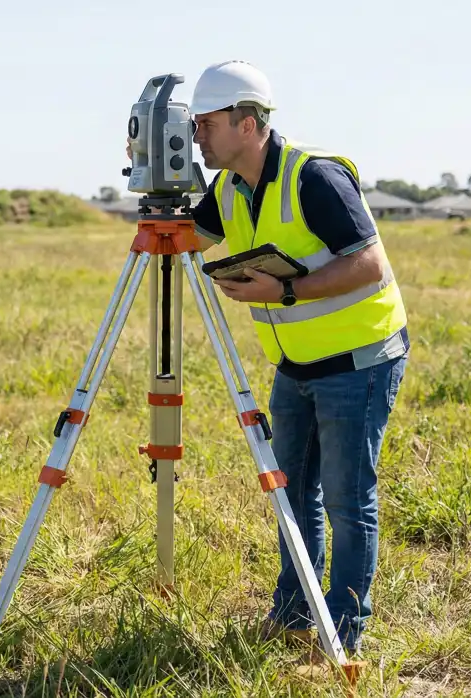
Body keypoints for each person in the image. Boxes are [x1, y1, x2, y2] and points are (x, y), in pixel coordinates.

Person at [171, 60, 409, 658]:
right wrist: (156, 194)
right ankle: (296, 607)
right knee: (291, 489)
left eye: (205, 123)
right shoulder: (227, 189)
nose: (195, 135)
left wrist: (283, 291)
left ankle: (345, 630)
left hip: (358, 359)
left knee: (348, 498)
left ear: (247, 124)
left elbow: (368, 263)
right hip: (295, 365)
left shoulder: (314, 177)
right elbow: (182, 240)